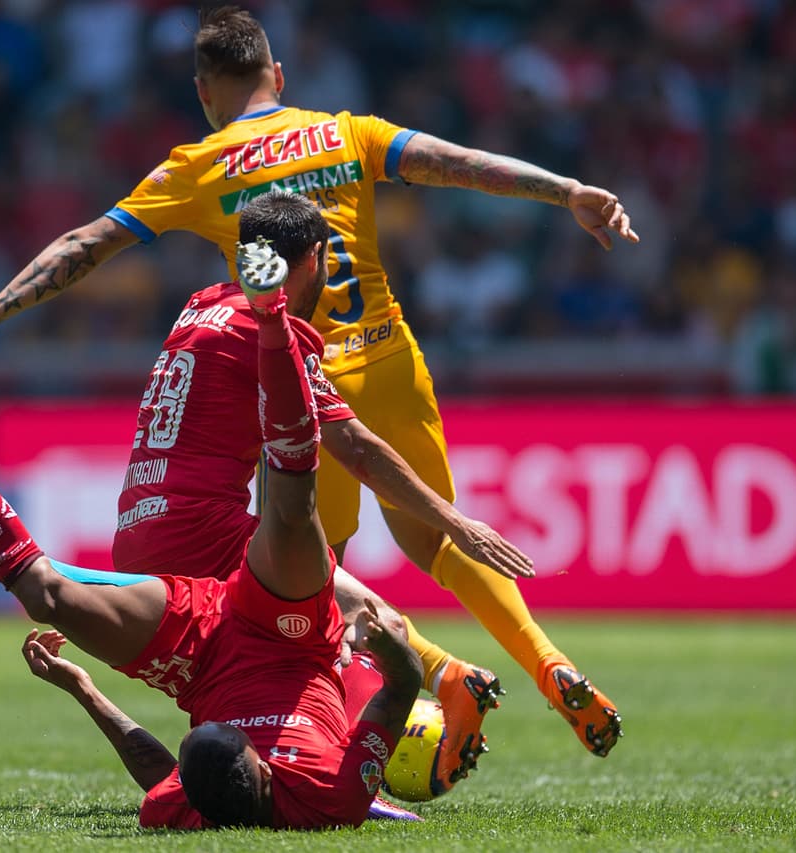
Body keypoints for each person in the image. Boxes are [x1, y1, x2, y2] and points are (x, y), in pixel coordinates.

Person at [0, 6, 634, 756]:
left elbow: (87, 243)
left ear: (205, 91)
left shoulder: (199, 164)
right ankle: (548, 662)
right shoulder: (345, 130)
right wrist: (566, 190)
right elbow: (459, 162)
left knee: (305, 583)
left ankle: (431, 678)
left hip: (304, 381)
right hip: (392, 360)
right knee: (438, 542)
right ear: (280, 76)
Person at [0, 237, 422, 829]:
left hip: (202, 655)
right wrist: (387, 643)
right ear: (260, 767)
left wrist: (85, 691)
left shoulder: (185, 808)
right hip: (293, 642)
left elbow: (156, 775)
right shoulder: (330, 797)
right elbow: (403, 685)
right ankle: (271, 317)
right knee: (292, 508)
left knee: (41, 593)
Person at [114, 190, 529, 788]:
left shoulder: (200, 306)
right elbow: (356, 449)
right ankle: (357, 771)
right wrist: (456, 522)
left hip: (137, 529)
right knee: (356, 618)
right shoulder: (271, 335)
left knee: (275, 654)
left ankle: (422, 698)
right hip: (200, 533)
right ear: (316, 258)